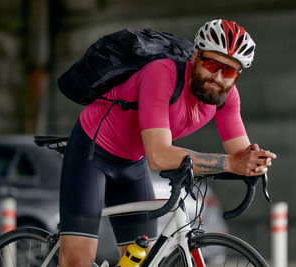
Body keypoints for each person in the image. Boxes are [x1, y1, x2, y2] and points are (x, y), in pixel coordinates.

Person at [58, 18, 277, 266]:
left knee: (142, 261)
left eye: (228, 71)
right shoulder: (163, 73)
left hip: (132, 163)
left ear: (236, 76)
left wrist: (253, 163)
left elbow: (239, 156)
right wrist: (232, 163)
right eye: (211, 63)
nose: (216, 76)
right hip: (92, 152)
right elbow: (159, 156)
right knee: (77, 260)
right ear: (195, 57)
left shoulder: (225, 98)